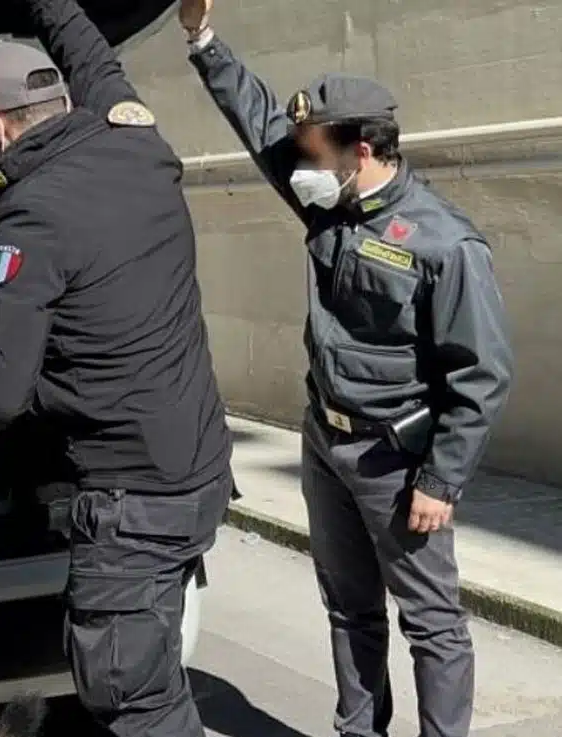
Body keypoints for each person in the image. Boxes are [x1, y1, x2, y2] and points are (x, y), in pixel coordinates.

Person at [178, 1, 514, 736]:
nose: (298, 164)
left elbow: (482, 371)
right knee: (348, 606)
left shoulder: (445, 244)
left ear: (360, 149)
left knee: (430, 622)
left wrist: (441, 479)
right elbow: (260, 120)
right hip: (325, 444)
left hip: (397, 457)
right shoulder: (331, 206)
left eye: (313, 151)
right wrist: (203, 41)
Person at [0, 0, 234, 734]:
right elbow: (95, 58)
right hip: (196, 475)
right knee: (156, 680)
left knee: (137, 702)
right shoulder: (141, 145)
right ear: (62, 100)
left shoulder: (31, 214)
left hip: (132, 504)